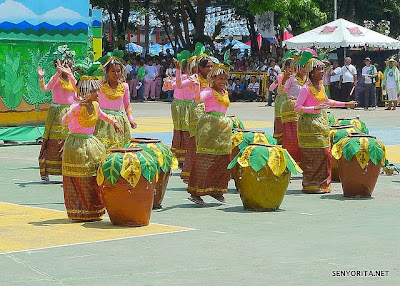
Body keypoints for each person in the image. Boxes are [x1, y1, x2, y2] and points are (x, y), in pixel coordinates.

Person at [61, 64, 123, 221]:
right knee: (78, 179)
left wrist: (114, 123)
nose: (98, 92)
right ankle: (79, 211)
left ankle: (92, 210)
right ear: (86, 92)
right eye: (95, 90)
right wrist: (77, 107)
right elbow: (63, 121)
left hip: (91, 144)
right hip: (76, 146)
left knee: (92, 178)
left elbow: (102, 115)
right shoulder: (75, 107)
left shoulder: (95, 105)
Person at [295, 56, 357, 194]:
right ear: (311, 72)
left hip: (321, 123)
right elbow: (297, 108)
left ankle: (322, 184)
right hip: (309, 125)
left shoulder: (321, 86)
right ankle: (310, 184)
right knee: (313, 154)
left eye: (323, 69)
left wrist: (346, 104)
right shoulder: (306, 88)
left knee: (325, 153)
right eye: (319, 70)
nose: (322, 72)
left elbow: (327, 102)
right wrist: (314, 109)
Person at [187, 60, 232, 205]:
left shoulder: (224, 92)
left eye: (225, 78)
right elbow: (197, 100)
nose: (223, 81)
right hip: (209, 128)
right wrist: (195, 87)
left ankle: (217, 190)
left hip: (223, 129)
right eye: (220, 78)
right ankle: (196, 192)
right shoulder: (208, 91)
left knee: (223, 159)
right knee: (205, 159)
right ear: (213, 79)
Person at [37, 56, 78, 182]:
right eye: (63, 66)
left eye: (68, 66)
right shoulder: (56, 79)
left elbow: (78, 91)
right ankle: (46, 171)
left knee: (69, 142)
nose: (65, 69)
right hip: (56, 114)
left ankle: (68, 171)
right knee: (53, 142)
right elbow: (45, 88)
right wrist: (42, 77)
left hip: (71, 113)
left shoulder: (73, 80)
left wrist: (70, 75)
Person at [96, 51, 137, 150]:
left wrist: (131, 119)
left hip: (119, 122)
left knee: (118, 149)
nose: (116, 74)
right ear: (106, 71)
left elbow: (127, 105)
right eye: (113, 71)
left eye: (118, 71)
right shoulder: (99, 85)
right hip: (103, 121)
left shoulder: (125, 86)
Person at [281, 57, 308, 164]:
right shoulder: (292, 78)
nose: (304, 69)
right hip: (291, 108)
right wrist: (284, 79)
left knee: (302, 134)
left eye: (305, 66)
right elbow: (281, 90)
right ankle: (289, 159)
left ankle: (302, 159)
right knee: (291, 135)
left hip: (304, 109)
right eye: (301, 66)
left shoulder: (309, 80)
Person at [270, 57, 293, 144]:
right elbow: (271, 88)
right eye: (290, 67)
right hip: (281, 99)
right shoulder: (281, 76)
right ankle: (279, 139)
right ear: (286, 67)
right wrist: (276, 82)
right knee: (280, 119)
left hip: (290, 100)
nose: (292, 69)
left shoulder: (295, 77)